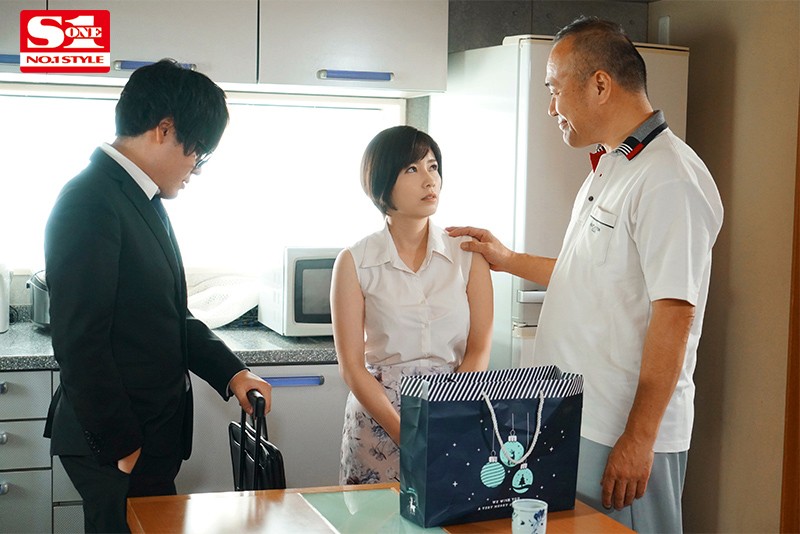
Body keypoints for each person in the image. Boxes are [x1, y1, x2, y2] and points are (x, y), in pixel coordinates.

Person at [448, 16, 723, 533]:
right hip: (577, 414)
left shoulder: (669, 178)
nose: (551, 108)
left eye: (554, 90)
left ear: (600, 84)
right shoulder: (615, 165)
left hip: (622, 428)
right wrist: (508, 259)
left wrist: (638, 439)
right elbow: (595, 275)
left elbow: (674, 313)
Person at [42, 59, 273, 534]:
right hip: (118, 438)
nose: (196, 168)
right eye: (198, 152)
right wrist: (123, 446)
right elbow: (79, 340)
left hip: (147, 434)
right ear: (165, 129)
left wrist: (232, 371)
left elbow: (169, 315)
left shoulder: (139, 197)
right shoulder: (89, 200)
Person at [332, 125, 494, 485]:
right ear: (382, 182)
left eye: (433, 166)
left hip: (454, 414)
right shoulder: (354, 261)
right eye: (412, 169)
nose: (429, 179)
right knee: (376, 516)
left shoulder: (468, 254)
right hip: (378, 422)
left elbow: (479, 348)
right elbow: (352, 367)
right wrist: (407, 435)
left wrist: (446, 419)